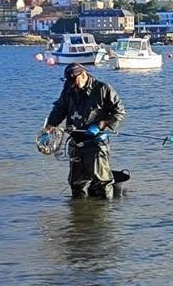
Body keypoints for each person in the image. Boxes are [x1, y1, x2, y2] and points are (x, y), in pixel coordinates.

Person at [45, 63, 126, 199]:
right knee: (76, 184)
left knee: (102, 183)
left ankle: (104, 215)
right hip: (76, 143)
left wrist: (102, 124)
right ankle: (79, 216)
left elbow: (119, 112)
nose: (72, 86)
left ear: (83, 75)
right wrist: (49, 126)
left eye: (74, 81)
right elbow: (60, 108)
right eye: (69, 82)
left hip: (96, 143)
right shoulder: (69, 89)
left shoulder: (103, 89)